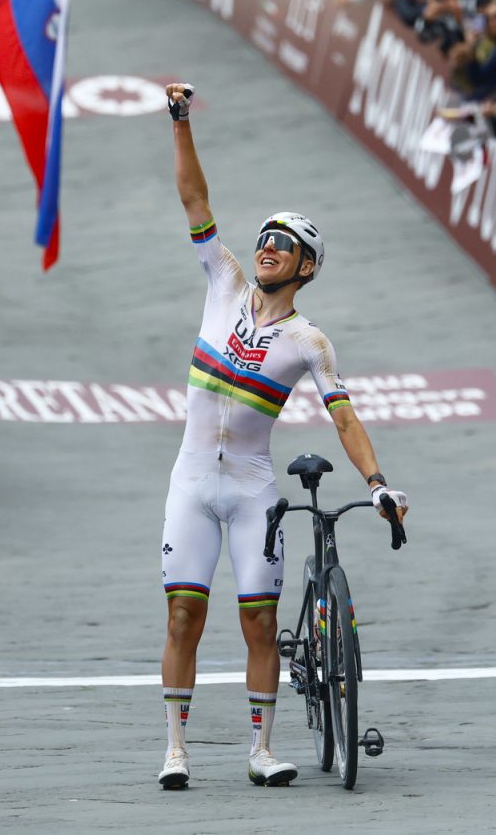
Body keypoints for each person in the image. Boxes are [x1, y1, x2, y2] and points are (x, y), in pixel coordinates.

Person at [156, 83, 409, 791]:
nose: (268, 247)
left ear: (305, 268)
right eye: (266, 237)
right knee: (183, 615)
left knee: (261, 627)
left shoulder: (308, 340)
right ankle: (175, 748)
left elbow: (345, 418)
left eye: (285, 245)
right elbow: (195, 203)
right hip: (190, 484)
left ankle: (262, 749)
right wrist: (180, 124)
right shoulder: (224, 282)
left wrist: (378, 483)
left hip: (250, 490)